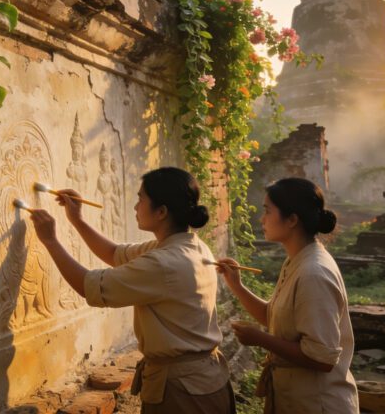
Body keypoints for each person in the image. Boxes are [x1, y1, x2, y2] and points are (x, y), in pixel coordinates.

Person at [29, 166, 235, 413]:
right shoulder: (190, 247)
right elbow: (115, 254)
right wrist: (77, 220)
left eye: (141, 199)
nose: (135, 206)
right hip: (202, 380)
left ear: (161, 212)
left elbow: (88, 286)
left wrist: (50, 240)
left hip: (184, 391)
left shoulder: (164, 263)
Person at [217, 178, 358, 413]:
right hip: (297, 398)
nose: (262, 219)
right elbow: (273, 317)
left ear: (292, 219)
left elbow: (322, 358)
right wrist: (236, 286)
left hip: (317, 403)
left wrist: (260, 339)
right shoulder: (298, 260)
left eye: (267, 211)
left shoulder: (314, 273)